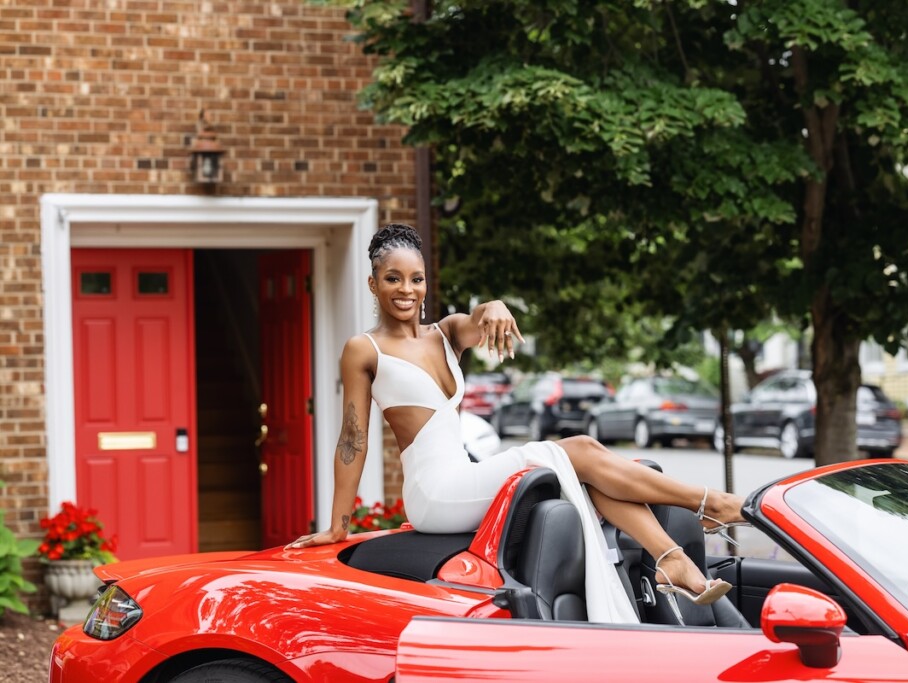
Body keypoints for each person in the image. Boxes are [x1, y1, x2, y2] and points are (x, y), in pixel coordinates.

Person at [286, 223, 746, 623]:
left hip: (464, 474)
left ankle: (671, 559)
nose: (406, 290)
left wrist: (496, 304)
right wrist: (337, 525)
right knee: (580, 449)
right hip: (434, 494)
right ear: (372, 283)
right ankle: (708, 503)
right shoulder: (363, 349)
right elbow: (353, 439)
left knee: (581, 470)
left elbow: (479, 319)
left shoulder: (445, 334)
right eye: (393, 279)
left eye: (416, 278)